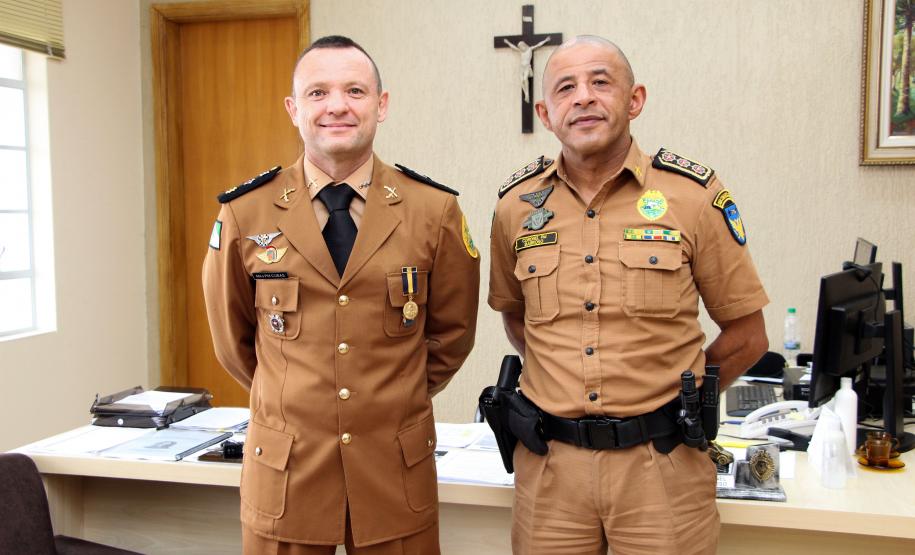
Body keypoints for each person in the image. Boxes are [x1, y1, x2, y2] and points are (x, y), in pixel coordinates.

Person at [488, 35, 769, 555]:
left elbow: (748, 336)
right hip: (551, 473)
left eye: (601, 82)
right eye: (566, 88)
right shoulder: (514, 207)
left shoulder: (693, 196)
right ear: (545, 113)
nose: (584, 98)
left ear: (634, 100)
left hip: (661, 467)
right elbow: (517, 319)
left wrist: (687, 399)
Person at [202, 35, 480, 554]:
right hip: (288, 471)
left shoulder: (433, 211)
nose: (336, 106)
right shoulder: (245, 213)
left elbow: (453, 335)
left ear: (381, 105)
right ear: (293, 109)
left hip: (394, 470)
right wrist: (295, 395)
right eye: (317, 93)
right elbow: (233, 341)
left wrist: (389, 396)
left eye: (355, 91)